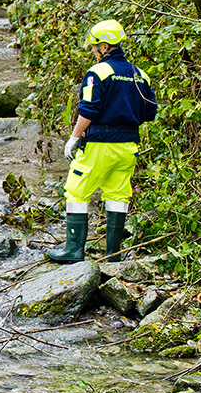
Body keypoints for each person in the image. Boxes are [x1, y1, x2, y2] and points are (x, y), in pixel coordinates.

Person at [47, 19, 157, 263]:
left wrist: (74, 138)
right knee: (117, 195)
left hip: (100, 145)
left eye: (95, 46)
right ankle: (113, 255)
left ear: (105, 46)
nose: (93, 51)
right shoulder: (141, 75)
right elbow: (150, 112)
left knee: (76, 191)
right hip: (128, 147)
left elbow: (88, 110)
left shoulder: (98, 73)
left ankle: (73, 250)